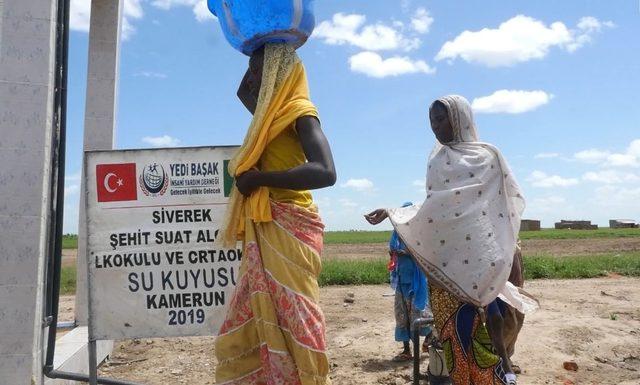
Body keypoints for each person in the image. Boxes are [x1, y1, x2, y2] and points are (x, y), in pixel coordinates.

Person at [365, 95, 538, 385]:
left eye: (441, 118)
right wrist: (392, 212)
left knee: (491, 322)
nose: (435, 126)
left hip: (485, 257)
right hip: (449, 264)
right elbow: (436, 208)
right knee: (453, 334)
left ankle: (500, 373)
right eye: (432, 120)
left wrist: (502, 248)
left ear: (460, 118)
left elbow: (506, 203)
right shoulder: (437, 161)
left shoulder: (487, 156)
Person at [214, 43, 337, 385]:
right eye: (252, 71)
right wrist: (257, 44)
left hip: (291, 222)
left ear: (277, 74)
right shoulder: (266, 115)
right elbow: (242, 91)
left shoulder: (300, 112)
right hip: (266, 223)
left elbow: (326, 172)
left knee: (296, 313)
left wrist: (260, 179)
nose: (252, 80)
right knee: (252, 308)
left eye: (259, 72)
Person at [388, 202, 432, 362]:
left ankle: (430, 337)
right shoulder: (396, 233)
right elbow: (392, 250)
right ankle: (407, 351)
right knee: (401, 316)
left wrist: (406, 253)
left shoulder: (417, 233)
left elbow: (422, 254)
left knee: (418, 315)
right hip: (401, 281)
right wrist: (393, 253)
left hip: (416, 281)